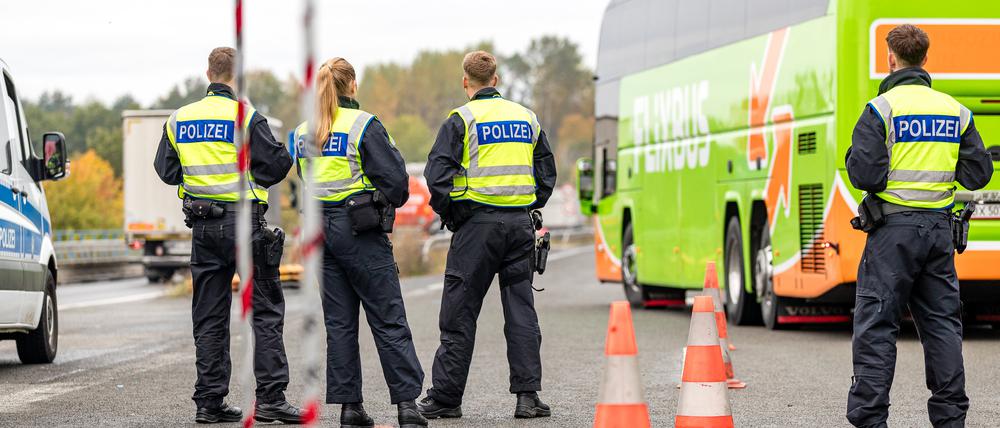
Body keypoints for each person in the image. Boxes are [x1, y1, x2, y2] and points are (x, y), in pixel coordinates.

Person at [845, 25, 993, 428]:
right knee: (943, 326)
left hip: (892, 234)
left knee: (877, 324)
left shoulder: (881, 109)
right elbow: (979, 173)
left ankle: (871, 420)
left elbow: (866, 174)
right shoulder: (956, 111)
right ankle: (950, 421)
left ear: (892, 58)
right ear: (925, 59)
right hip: (939, 234)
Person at [153, 47, 302, 425]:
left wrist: (198, 180)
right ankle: (270, 399)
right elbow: (278, 166)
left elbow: (166, 171)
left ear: (208, 73)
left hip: (203, 228)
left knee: (209, 317)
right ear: (237, 76)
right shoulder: (247, 117)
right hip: (245, 226)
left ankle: (209, 402)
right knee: (265, 311)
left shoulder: (179, 118)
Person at [418, 50, 557, 420]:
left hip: (476, 229)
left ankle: (447, 398)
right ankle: (527, 398)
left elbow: (436, 177)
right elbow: (546, 172)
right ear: (496, 80)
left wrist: (453, 213)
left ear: (467, 81)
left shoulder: (460, 119)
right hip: (519, 227)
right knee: (521, 312)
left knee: (459, 314)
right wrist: (528, 203)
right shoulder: (527, 118)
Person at [291, 57, 427, 428]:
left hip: (320, 233)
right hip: (360, 232)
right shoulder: (364, 124)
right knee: (388, 319)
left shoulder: (302, 132)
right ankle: (407, 408)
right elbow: (398, 184)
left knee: (340, 324)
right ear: (352, 85)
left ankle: (350, 409)